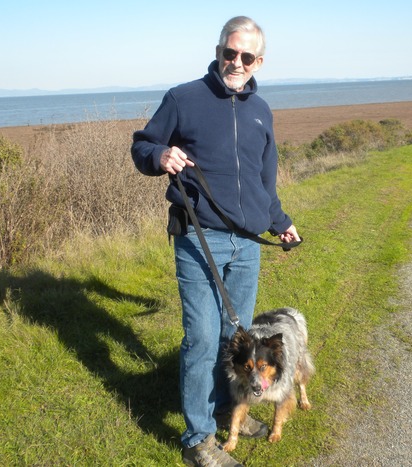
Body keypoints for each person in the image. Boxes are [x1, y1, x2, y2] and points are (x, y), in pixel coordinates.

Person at [131, 16, 300, 467]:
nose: (236, 62)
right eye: (230, 52)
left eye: (246, 56)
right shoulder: (184, 98)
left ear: (258, 60)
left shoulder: (261, 110)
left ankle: (230, 413)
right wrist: (160, 154)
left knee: (236, 340)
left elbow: (265, 178)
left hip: (247, 244)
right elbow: (142, 144)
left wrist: (279, 221)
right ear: (219, 49)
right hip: (199, 237)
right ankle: (197, 439)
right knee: (203, 339)